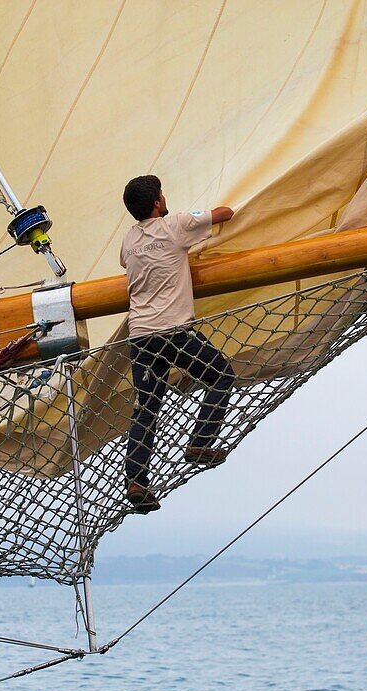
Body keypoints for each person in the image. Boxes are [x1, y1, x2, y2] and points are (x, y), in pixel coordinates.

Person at [120, 175, 237, 514]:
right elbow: (225, 213)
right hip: (175, 332)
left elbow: (126, 264)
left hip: (141, 337)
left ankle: (136, 479)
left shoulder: (128, 240)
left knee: (147, 408)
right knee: (221, 375)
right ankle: (200, 443)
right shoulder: (176, 224)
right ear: (157, 201)